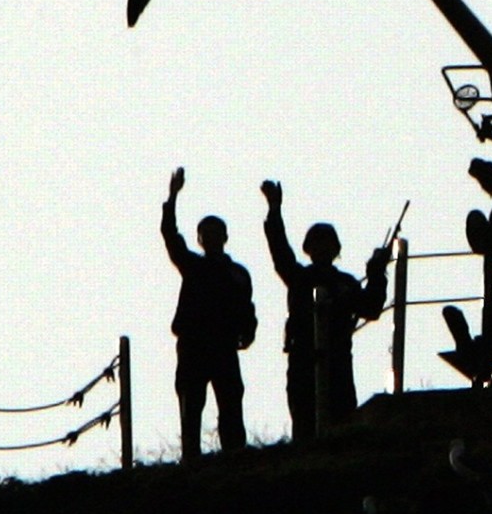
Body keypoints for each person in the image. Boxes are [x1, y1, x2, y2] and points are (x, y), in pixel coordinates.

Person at [260, 179, 391, 441]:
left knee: (343, 424)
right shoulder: (299, 278)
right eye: (316, 244)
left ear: (336, 249)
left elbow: (372, 308)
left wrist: (377, 273)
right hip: (303, 359)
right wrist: (274, 209)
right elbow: (280, 252)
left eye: (326, 243)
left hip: (339, 359)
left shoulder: (346, 283)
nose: (321, 248)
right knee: (305, 425)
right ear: (308, 250)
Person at [161, 167, 256, 460]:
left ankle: (235, 454)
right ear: (200, 240)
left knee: (230, 403)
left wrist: (248, 333)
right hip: (193, 345)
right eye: (205, 234)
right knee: (191, 404)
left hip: (225, 345)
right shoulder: (193, 265)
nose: (210, 238)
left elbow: (247, 308)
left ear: (225, 237)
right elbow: (170, 235)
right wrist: (172, 198)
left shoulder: (237, 273)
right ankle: (191, 458)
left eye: (215, 233)